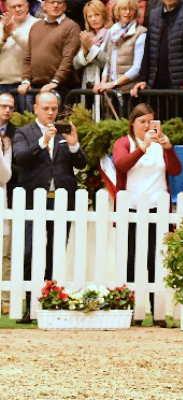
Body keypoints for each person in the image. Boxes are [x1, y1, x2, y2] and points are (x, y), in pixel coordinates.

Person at [12, 91, 87, 324]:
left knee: (56, 252)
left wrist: (75, 146)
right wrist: (42, 143)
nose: (51, 112)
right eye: (46, 108)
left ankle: (50, 301)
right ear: (35, 108)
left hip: (62, 200)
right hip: (34, 201)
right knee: (29, 252)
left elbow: (82, 163)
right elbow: (19, 157)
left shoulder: (65, 132)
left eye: (54, 108)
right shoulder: (24, 132)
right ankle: (29, 304)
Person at [112, 103, 181, 327]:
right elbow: (121, 165)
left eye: (150, 122)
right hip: (131, 207)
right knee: (131, 260)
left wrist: (168, 148)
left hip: (157, 208)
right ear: (133, 123)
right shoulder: (124, 143)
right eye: (142, 122)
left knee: (155, 260)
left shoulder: (159, 145)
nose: (146, 126)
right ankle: (130, 311)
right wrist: (142, 148)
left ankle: (157, 312)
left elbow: (176, 170)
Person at [132, 0, 183, 121]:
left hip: (181, 87)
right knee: (157, 130)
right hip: (156, 88)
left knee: (179, 131)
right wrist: (144, 79)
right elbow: (148, 50)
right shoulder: (154, 14)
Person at [18, 0, 81, 112]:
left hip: (62, 88)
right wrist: (25, 81)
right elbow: (28, 57)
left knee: (59, 127)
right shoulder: (36, 26)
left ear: (65, 6)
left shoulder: (71, 27)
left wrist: (55, 82)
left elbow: (68, 59)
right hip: (36, 87)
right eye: (52, 2)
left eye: (59, 2)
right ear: (44, 5)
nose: (56, 5)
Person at [93, 0, 147, 97]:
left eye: (131, 9)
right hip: (112, 91)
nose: (127, 12)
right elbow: (108, 62)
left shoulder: (141, 33)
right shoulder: (112, 31)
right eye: (124, 9)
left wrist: (113, 83)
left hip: (129, 92)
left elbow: (137, 68)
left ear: (136, 12)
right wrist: (103, 82)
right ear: (118, 11)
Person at [73, 1, 112, 120]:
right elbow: (75, 64)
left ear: (104, 15)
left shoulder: (111, 33)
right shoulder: (88, 35)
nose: (93, 19)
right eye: (90, 16)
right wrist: (85, 52)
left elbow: (107, 62)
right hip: (88, 84)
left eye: (97, 15)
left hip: (105, 84)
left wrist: (91, 48)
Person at [0, 0, 37, 112]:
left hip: (26, 84)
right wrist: (4, 38)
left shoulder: (37, 24)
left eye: (20, 6)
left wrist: (13, 33)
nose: (17, 9)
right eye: (13, 7)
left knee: (27, 122)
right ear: (6, 9)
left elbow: (34, 48)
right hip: (3, 84)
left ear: (27, 6)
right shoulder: (1, 25)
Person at [0, 93, 13, 315]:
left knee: (6, 251)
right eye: (3, 106)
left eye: (10, 106)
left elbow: (6, 175)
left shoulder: (8, 139)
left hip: (2, 195)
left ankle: (5, 300)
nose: (7, 110)